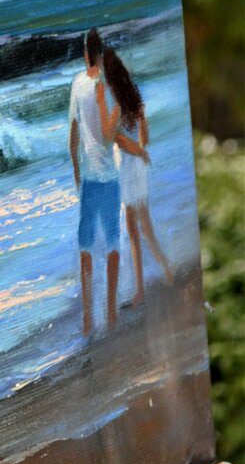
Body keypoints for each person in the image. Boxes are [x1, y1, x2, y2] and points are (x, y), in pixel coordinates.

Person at [68, 28, 147, 333]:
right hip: (110, 178)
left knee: (86, 246)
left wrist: (76, 171)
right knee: (113, 244)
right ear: (100, 55)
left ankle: (89, 318)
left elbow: (73, 134)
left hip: (90, 178)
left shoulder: (77, 84)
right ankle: (111, 312)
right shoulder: (109, 87)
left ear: (86, 54)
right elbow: (109, 134)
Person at [96, 46, 174, 304]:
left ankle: (141, 291)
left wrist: (133, 149)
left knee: (133, 232)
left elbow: (112, 139)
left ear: (110, 78)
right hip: (138, 167)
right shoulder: (136, 100)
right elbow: (145, 138)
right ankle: (167, 272)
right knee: (145, 227)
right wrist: (140, 151)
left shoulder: (116, 107)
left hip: (128, 168)